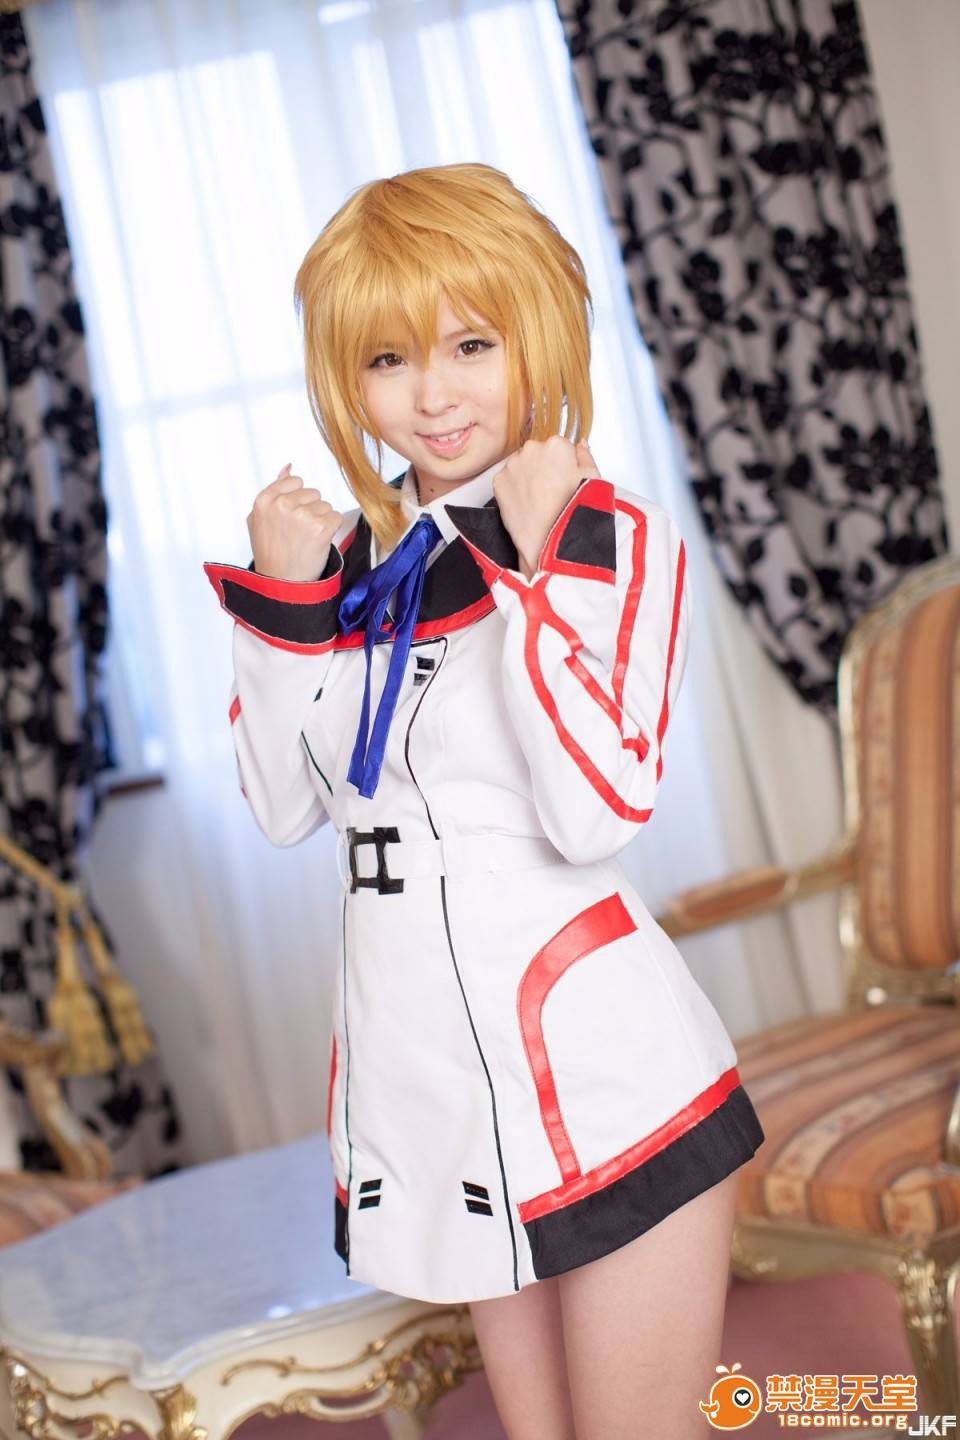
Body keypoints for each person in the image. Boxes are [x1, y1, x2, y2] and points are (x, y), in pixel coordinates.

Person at [203, 162, 765, 1440]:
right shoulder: (353, 572)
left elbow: (597, 810)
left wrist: (542, 560)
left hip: (601, 1073)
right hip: (439, 1093)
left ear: (537, 338)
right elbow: (285, 810)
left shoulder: (608, 536)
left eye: (472, 343)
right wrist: (283, 606)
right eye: (388, 358)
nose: (433, 393)